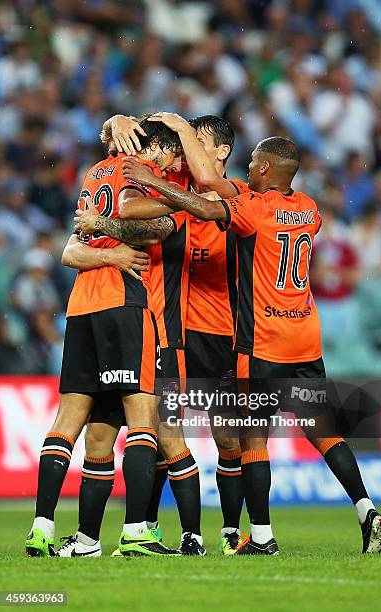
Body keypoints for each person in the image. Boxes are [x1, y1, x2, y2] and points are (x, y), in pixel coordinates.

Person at [121, 136, 381, 555]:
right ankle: (366, 507)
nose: (247, 168)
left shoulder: (255, 210)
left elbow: (208, 206)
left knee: (252, 440)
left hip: (262, 342)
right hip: (305, 339)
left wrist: (166, 186)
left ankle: (261, 536)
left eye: (253, 163)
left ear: (264, 169)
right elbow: (233, 194)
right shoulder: (309, 210)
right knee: (324, 431)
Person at [86, 111, 252, 554]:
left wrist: (176, 140)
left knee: (224, 436)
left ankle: (225, 531)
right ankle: (153, 528)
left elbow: (184, 197)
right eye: (183, 141)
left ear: (220, 152)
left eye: (194, 140)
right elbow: (138, 155)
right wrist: (118, 119)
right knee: (160, 431)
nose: (183, 148)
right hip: (168, 330)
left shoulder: (233, 195)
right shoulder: (177, 180)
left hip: (222, 335)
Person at [25, 117, 184, 558]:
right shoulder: (139, 172)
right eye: (171, 157)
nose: (171, 170)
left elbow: (70, 251)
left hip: (81, 308)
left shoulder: (95, 173)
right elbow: (137, 214)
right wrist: (179, 205)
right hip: (124, 302)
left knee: (75, 425)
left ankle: (45, 528)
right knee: (142, 420)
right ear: (156, 149)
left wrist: (100, 243)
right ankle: (135, 533)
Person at [58, 115, 205, 557]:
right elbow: (114, 204)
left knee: (167, 433)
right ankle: (90, 539)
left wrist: (103, 224)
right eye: (176, 147)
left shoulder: (183, 193)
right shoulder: (138, 175)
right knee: (101, 435)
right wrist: (114, 121)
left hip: (163, 331)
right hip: (122, 319)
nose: (178, 157)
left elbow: (149, 221)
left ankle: (180, 534)